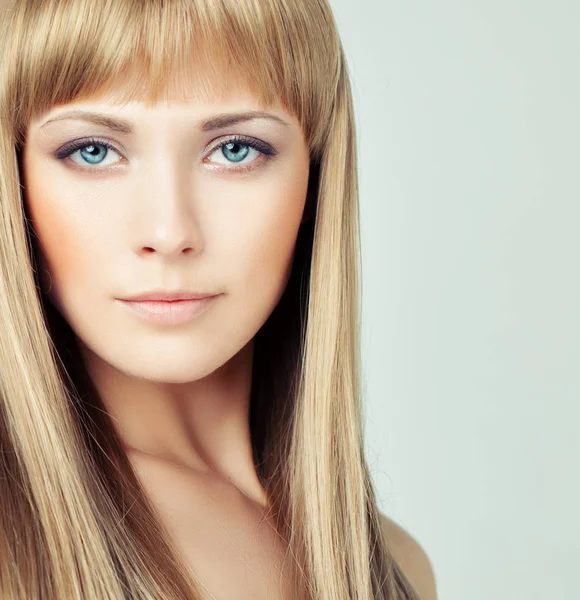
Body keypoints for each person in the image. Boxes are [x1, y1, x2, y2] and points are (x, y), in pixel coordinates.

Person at [0, 0, 437, 598]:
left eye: (235, 149)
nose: (170, 232)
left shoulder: (393, 564)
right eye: (93, 151)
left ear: (314, 175)